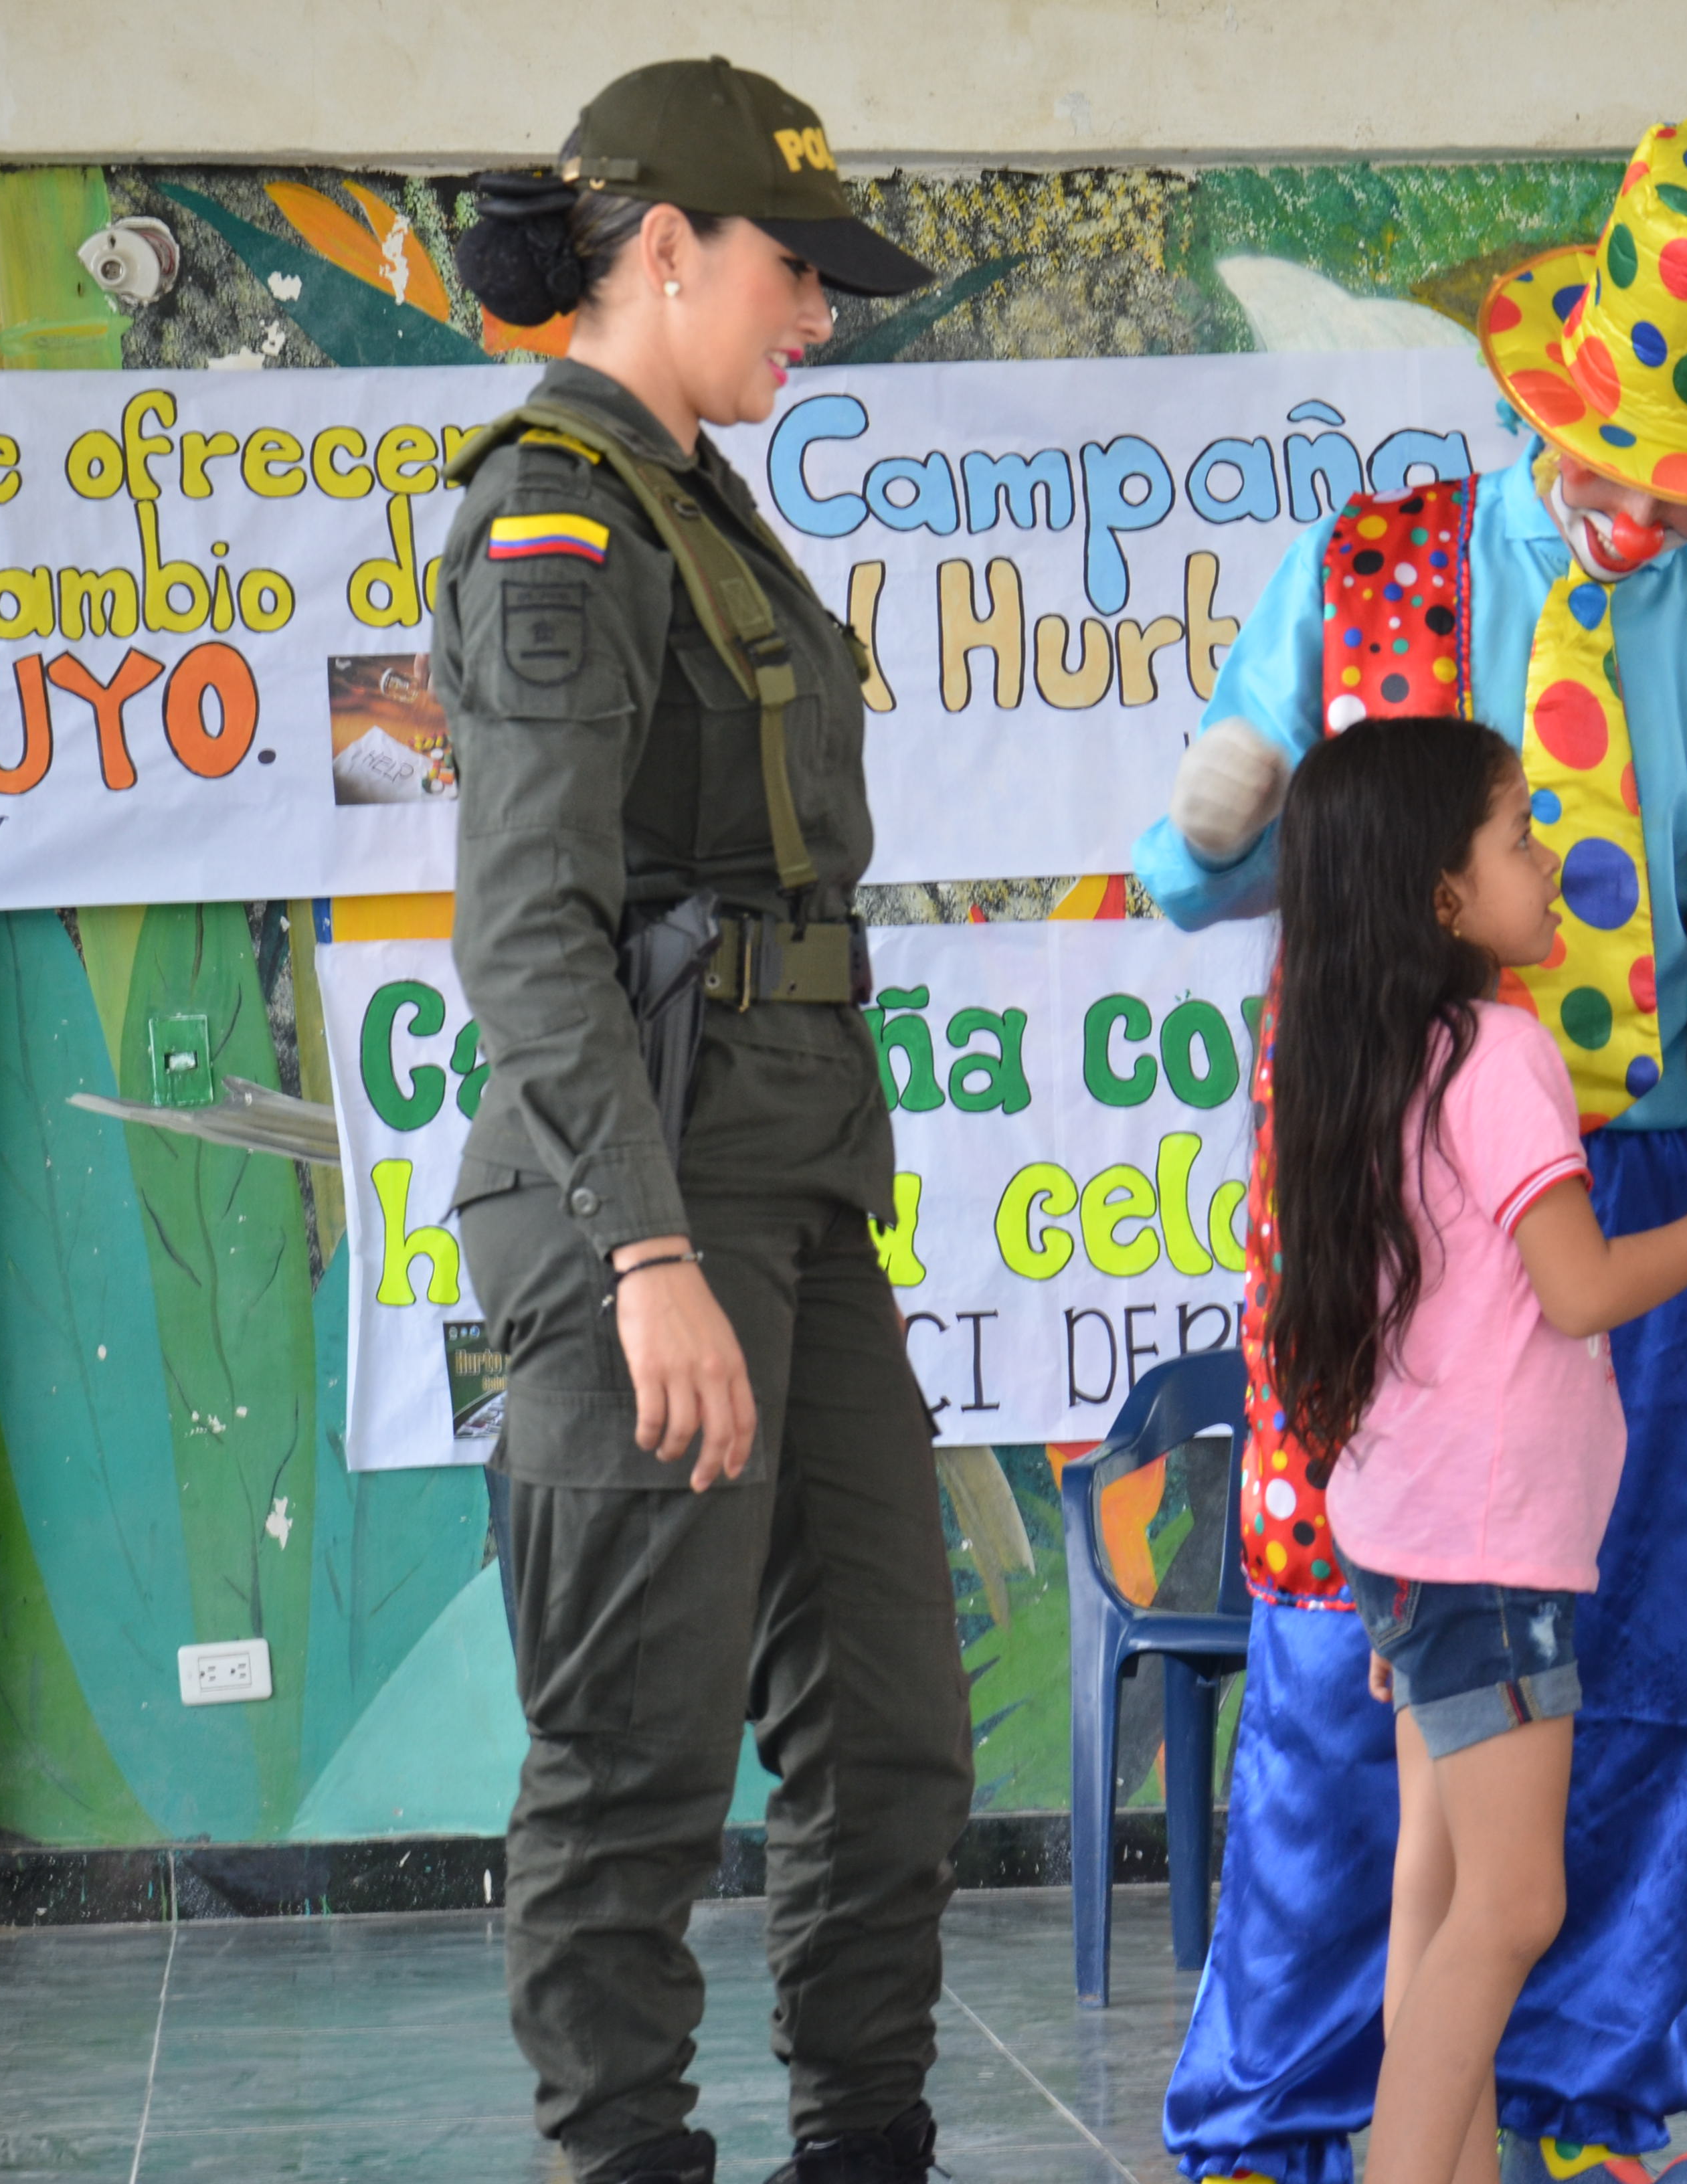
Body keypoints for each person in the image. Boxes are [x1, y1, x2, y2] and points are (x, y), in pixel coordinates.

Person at [1131, 120, 1687, 2184]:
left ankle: (1569, 2117)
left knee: (1630, 1676)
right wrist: (1208, 828)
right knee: (1330, 1669)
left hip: (1645, 1185)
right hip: (1390, 1196)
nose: (1658, 502)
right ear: (1554, 397)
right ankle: (1289, 2125)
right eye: (1632, 448)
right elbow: (1189, 887)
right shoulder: (1373, 572)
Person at [441, 58, 966, 2184]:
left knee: (899, 1744)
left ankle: (866, 2150)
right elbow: (531, 929)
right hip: (643, 1200)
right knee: (636, 1767)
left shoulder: (690, 487)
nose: (818, 316)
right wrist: (647, 1255)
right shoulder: (559, 511)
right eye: (794, 271)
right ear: (662, 248)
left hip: (797, 1188)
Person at [1260, 716, 1687, 2184]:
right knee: (1509, 1909)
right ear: (1443, 899)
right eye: (1519, 839)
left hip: (1403, 1539)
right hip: (1485, 1553)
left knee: (1433, 1894)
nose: (1551, 866)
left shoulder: (1354, 1054)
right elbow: (1578, 1290)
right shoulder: (1499, 1051)